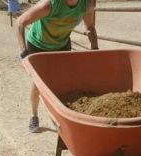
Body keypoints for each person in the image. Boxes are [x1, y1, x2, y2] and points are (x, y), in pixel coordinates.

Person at [15, 0, 98, 133]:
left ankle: (62, 118)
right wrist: (24, 53)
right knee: (38, 84)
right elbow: (20, 22)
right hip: (38, 44)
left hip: (62, 44)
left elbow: (90, 27)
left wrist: (95, 48)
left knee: (64, 82)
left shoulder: (87, 4)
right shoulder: (49, 5)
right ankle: (34, 115)